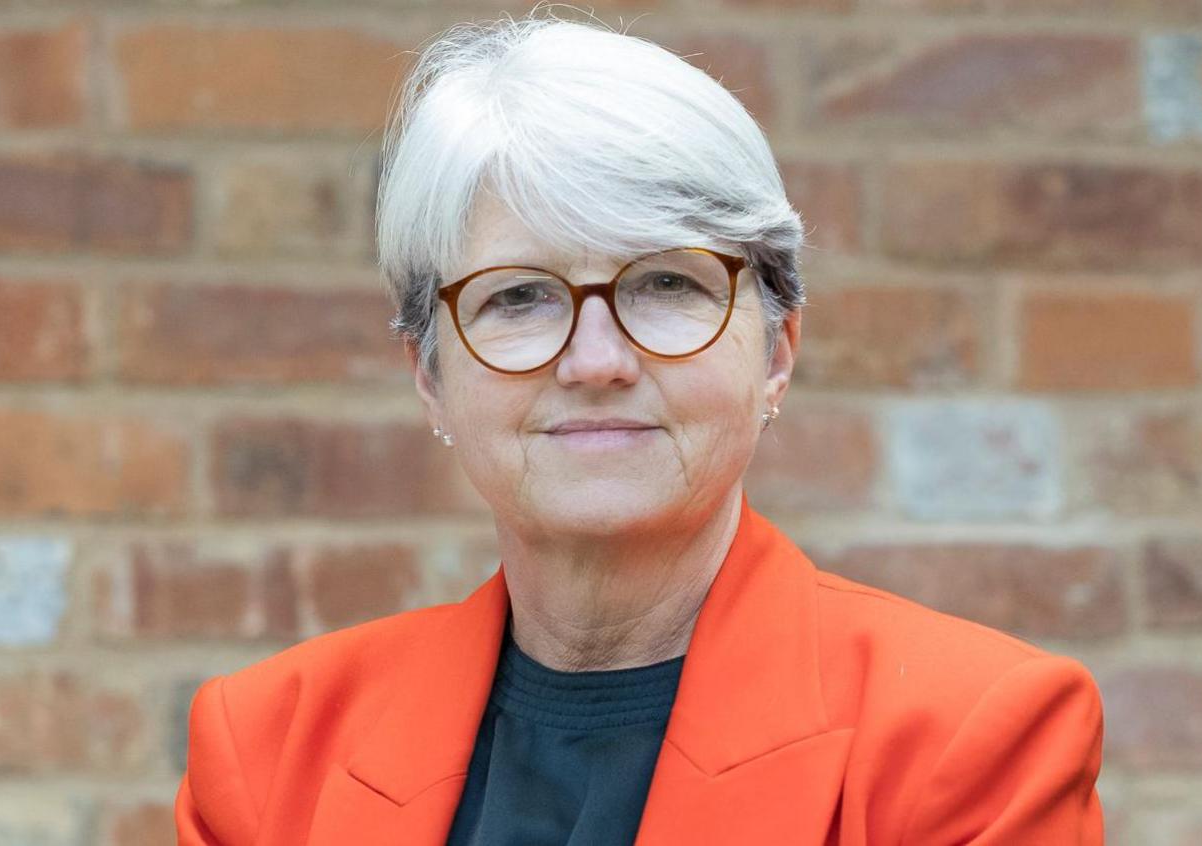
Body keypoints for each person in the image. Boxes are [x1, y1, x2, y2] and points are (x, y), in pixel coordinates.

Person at [176, 12, 1104, 845]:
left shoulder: (970, 735)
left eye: (666, 284)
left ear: (775, 351)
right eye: (521, 297)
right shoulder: (268, 752)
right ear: (429, 375)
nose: (595, 361)